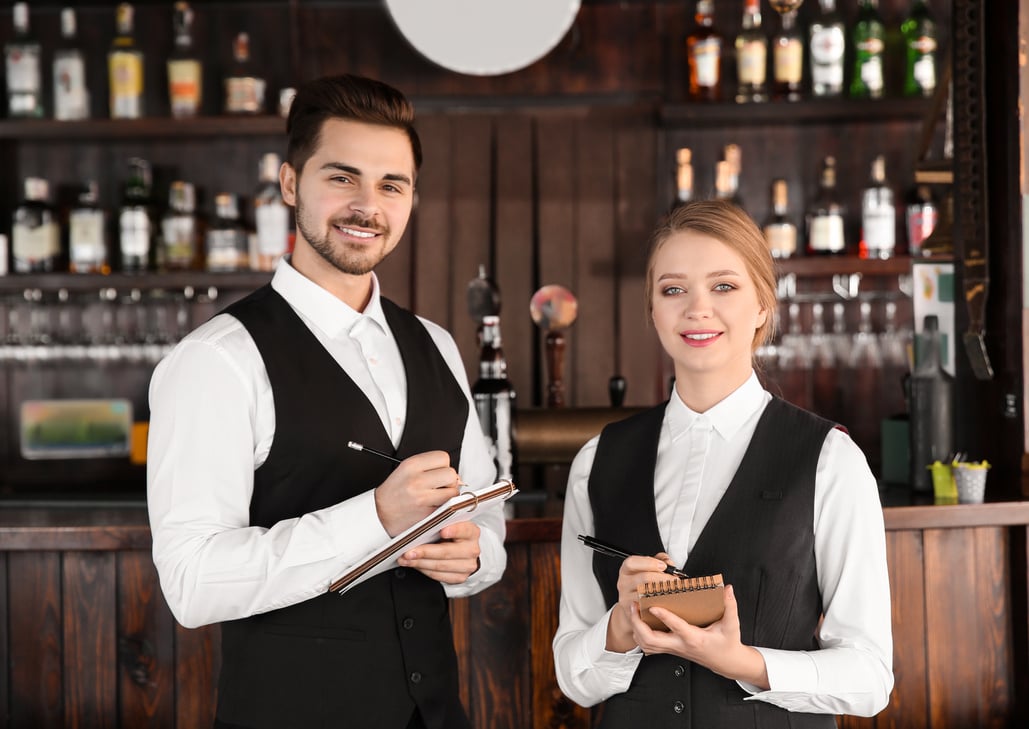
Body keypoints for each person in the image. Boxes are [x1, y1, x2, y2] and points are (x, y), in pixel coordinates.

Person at [147, 74, 506, 729]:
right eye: (342, 177)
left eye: (391, 185)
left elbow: (483, 518)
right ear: (290, 184)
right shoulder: (217, 359)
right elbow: (191, 584)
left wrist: (475, 554)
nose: (367, 205)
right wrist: (374, 515)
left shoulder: (436, 345)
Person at [552, 199, 893, 727]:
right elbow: (573, 675)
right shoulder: (596, 461)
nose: (697, 309)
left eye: (724, 286)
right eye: (673, 290)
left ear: (762, 304)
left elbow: (870, 678)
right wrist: (619, 627)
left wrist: (743, 663)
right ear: (653, 311)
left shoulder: (830, 460)